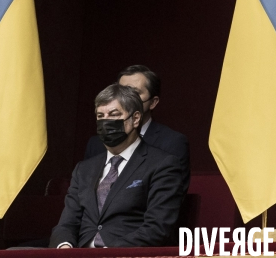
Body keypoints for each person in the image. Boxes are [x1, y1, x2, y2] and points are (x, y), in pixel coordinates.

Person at [49, 84, 184, 248]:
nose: (106, 121)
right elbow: (67, 224)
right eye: (100, 116)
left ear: (135, 119)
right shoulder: (84, 169)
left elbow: (157, 228)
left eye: (114, 115)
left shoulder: (162, 164)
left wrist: (107, 253)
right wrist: (64, 248)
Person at [84, 65, 190, 194]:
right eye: (121, 92)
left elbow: (171, 199)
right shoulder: (96, 144)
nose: (126, 99)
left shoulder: (172, 142)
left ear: (153, 102)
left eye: (134, 93)